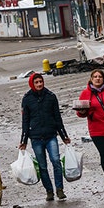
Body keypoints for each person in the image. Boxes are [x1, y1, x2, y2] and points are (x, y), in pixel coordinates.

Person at [20, 72, 71, 201]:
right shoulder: (27, 99)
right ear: (32, 84)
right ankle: (49, 191)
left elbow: (57, 118)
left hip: (50, 136)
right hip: (36, 138)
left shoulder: (51, 97)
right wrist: (23, 140)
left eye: (41, 81)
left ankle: (59, 189)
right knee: (42, 166)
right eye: (36, 82)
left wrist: (64, 135)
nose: (39, 84)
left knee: (56, 161)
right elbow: (25, 121)